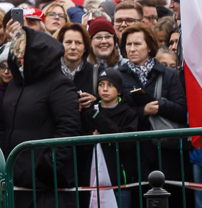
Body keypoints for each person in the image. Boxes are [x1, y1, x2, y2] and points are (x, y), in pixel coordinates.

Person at [0, 29, 82, 208]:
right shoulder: (15, 84)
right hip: (15, 178)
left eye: (24, 51)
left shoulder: (58, 83)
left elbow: (69, 128)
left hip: (45, 186)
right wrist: (2, 157)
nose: (19, 55)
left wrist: (47, 166)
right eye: (17, 51)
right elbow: (4, 123)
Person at [117, 23, 187, 197]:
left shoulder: (168, 74)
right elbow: (116, 112)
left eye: (137, 44)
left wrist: (159, 105)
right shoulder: (118, 75)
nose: (132, 49)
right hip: (133, 151)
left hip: (165, 150)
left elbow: (182, 110)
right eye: (128, 44)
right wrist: (143, 111)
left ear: (149, 47)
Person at [80, 68, 140, 207]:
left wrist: (98, 119)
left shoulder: (128, 114)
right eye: (101, 85)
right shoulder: (89, 113)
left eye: (110, 85)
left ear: (119, 91)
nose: (105, 89)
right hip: (94, 180)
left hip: (119, 182)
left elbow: (126, 143)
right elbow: (80, 142)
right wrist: (91, 137)